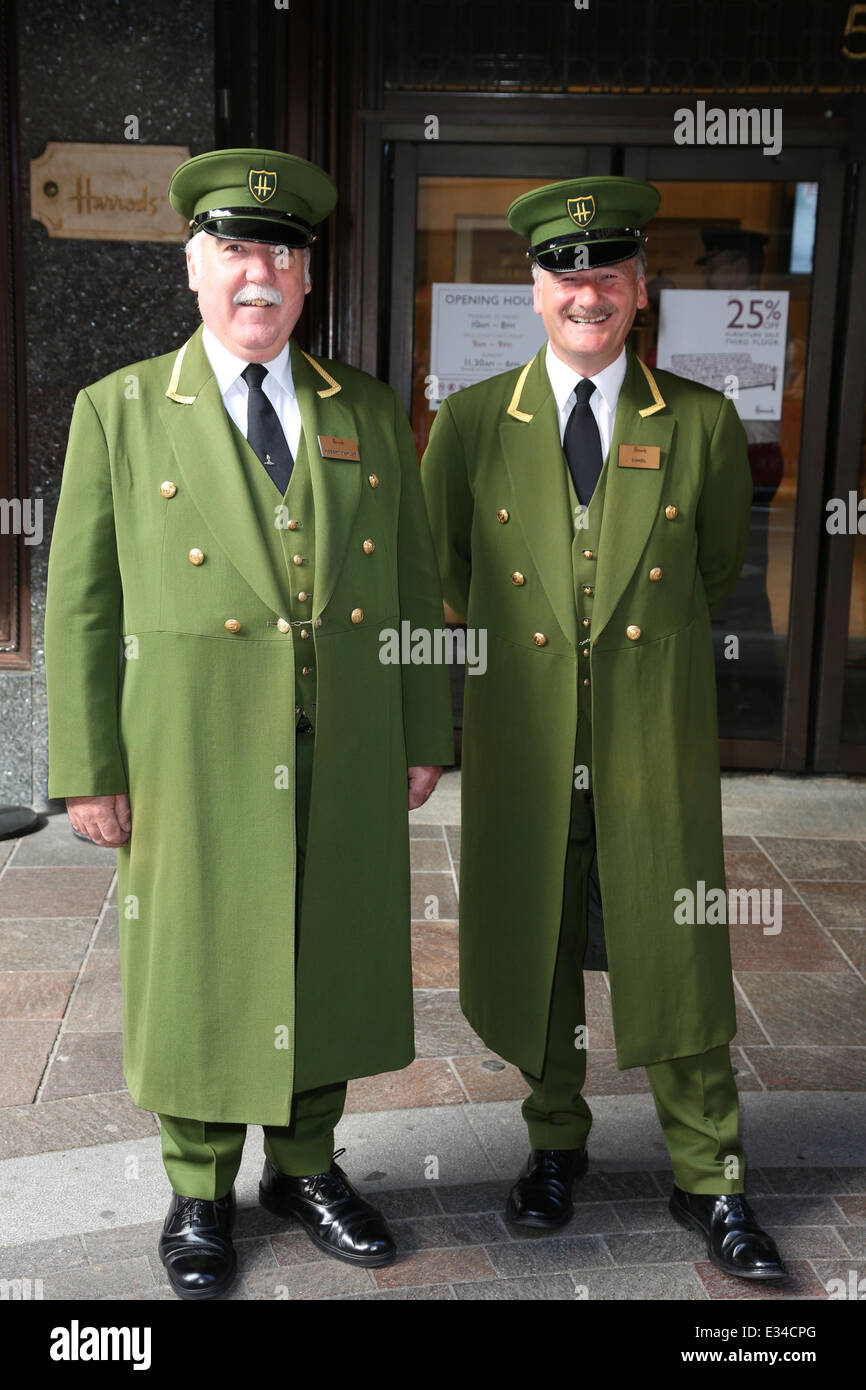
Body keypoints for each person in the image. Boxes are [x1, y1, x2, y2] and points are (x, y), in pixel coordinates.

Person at [44, 147, 453, 1300]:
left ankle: (307, 1167)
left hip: (346, 743)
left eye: (280, 251)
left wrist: (425, 727)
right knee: (199, 962)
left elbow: (416, 585)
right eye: (234, 248)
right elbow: (79, 603)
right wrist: (87, 766)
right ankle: (197, 1181)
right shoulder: (119, 410)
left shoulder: (364, 408)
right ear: (192, 266)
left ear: (308, 276)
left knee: (325, 952)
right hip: (191, 750)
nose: (258, 272)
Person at [420, 176, 785, 1282]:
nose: (587, 292)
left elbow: (714, 571)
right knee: (535, 948)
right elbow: (448, 576)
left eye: (608, 274)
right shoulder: (475, 421)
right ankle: (552, 1143)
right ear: (531, 288)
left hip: (649, 747)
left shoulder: (701, 422)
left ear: (639, 291)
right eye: (564, 274)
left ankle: (709, 1175)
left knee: (676, 954)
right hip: (526, 747)